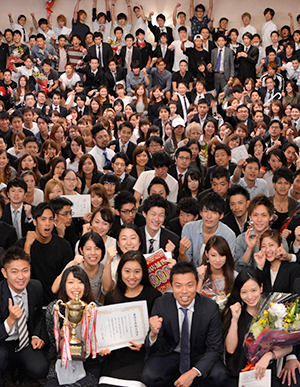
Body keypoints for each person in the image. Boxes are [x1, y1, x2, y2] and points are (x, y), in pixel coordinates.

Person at [141, 261, 227, 387]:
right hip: (171, 353)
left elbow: (215, 348)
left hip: (199, 355)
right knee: (149, 376)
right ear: (171, 286)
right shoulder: (161, 304)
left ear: (197, 284)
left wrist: (193, 373)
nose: (184, 291)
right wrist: (153, 334)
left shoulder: (210, 307)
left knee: (220, 375)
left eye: (189, 285)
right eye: (178, 286)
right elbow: (152, 348)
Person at [100, 250, 161, 387]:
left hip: (141, 356)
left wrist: (145, 343)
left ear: (143, 272)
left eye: (137, 271)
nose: (132, 276)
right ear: (120, 272)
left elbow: (159, 336)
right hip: (115, 357)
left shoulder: (154, 296)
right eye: (127, 271)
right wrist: (104, 346)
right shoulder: (111, 297)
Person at [222, 268, 292, 387]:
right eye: (244, 292)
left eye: (253, 290)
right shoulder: (235, 312)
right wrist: (234, 319)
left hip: (265, 375)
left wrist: (269, 356)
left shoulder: (273, 313)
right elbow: (230, 349)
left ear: (261, 288)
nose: (249, 296)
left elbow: (288, 346)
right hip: (239, 375)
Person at [0, 246, 48, 386]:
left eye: (25, 271)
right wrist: (10, 320)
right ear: (4, 273)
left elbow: (39, 315)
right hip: (2, 341)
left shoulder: (36, 287)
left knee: (40, 369)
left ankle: (18, 367)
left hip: (24, 339)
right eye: (14, 272)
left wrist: (37, 336)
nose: (21, 277)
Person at [45, 266, 101, 387]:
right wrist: (63, 340)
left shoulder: (94, 308)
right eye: (70, 282)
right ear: (64, 285)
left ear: (86, 285)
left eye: (80, 282)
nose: (76, 287)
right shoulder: (54, 309)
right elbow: (53, 348)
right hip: (62, 361)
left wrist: (102, 347)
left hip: (89, 363)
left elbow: (101, 341)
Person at [15, 202, 74, 306]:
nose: (48, 223)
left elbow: (69, 277)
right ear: (34, 222)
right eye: (43, 219)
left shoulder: (63, 246)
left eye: (51, 219)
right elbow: (20, 273)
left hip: (56, 303)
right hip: (29, 302)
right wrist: (27, 246)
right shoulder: (22, 244)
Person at [234, 194, 288, 273]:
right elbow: (237, 271)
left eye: (264, 215)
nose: (259, 219)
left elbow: (284, 271)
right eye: (255, 215)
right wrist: (250, 248)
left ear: (271, 217)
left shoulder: (281, 240)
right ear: (250, 217)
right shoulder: (241, 239)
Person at [181, 191, 235, 266]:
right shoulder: (189, 228)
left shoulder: (229, 235)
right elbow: (185, 264)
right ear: (200, 212)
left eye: (214, 212)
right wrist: (182, 253)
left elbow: (228, 264)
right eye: (206, 211)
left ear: (221, 215)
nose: (209, 216)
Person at [51, 231, 105, 301]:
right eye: (88, 249)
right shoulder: (75, 265)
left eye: (97, 248)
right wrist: (73, 264)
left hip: (91, 308)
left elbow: (104, 294)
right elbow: (54, 289)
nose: (93, 253)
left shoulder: (103, 268)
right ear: (81, 251)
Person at [140, 194, 180, 259]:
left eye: (161, 215)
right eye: (153, 214)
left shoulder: (173, 240)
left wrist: (171, 255)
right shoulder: (135, 236)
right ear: (144, 213)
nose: (156, 219)